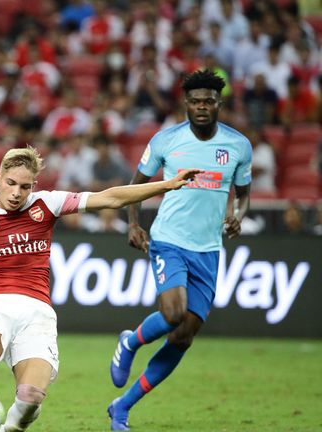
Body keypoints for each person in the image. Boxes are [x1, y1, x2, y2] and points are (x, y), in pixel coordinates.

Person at [0, 146, 200, 432]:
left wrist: (168, 184)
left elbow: (110, 197)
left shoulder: (48, 204)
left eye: (25, 186)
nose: (17, 193)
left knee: (30, 399)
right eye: (11, 183)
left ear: (34, 186)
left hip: (37, 313)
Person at [108, 69, 252, 431]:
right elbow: (134, 186)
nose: (202, 107)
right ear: (185, 104)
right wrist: (132, 223)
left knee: (182, 337)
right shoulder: (166, 141)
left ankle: (122, 408)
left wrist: (238, 214)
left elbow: (244, 192)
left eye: (209, 101)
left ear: (219, 104)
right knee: (173, 312)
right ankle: (130, 342)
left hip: (208, 251)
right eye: (195, 101)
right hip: (169, 240)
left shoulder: (238, 146)